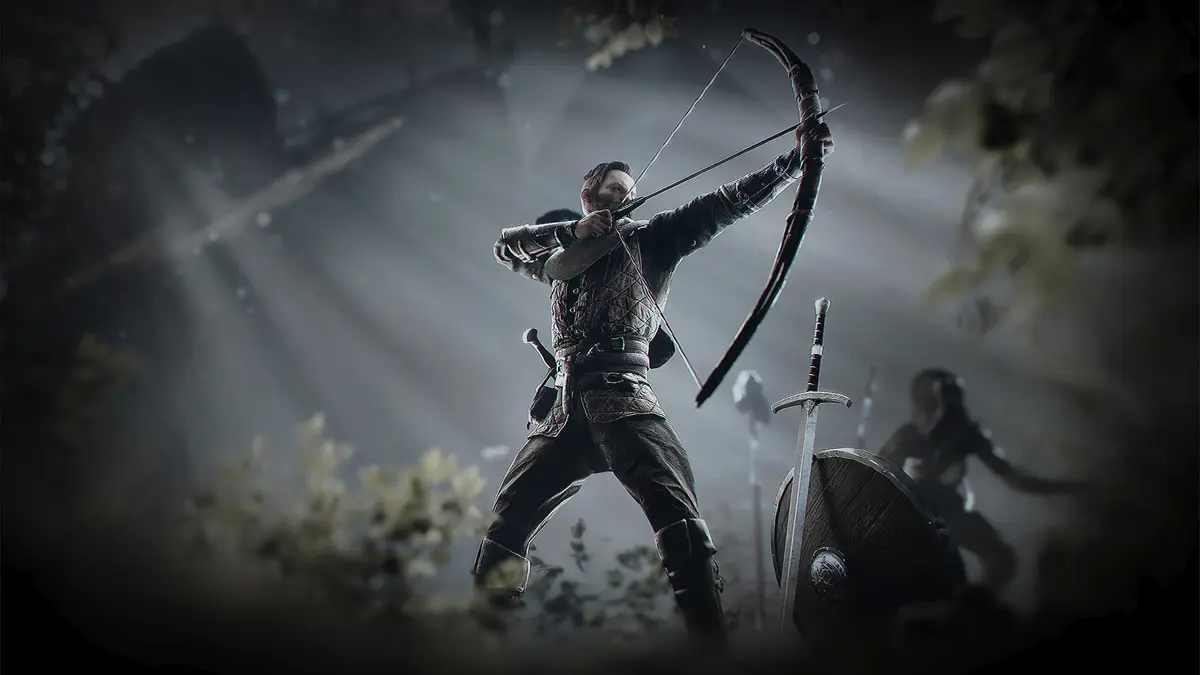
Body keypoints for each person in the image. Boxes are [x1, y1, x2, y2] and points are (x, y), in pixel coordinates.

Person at [470, 121, 834, 644]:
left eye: (630, 191)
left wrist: (794, 161)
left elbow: (724, 204)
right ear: (589, 196)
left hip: (624, 399)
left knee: (678, 521)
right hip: (563, 411)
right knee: (505, 526)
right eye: (614, 190)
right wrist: (573, 232)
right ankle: (487, 644)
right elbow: (506, 248)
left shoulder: (652, 239)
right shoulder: (561, 259)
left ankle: (710, 645)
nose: (625, 198)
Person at [878, 367, 1086, 592]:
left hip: (947, 509)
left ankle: (967, 604)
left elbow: (1014, 478)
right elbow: (877, 475)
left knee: (1001, 560)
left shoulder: (966, 434)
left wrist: (1068, 488)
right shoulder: (909, 436)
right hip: (914, 510)